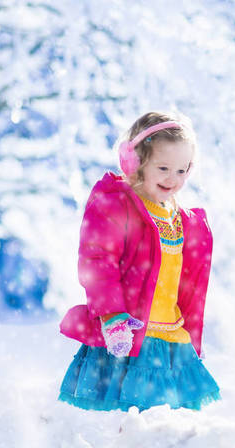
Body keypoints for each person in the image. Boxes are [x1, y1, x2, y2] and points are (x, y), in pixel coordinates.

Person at [57, 111, 221, 412]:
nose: (173, 179)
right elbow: (98, 262)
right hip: (129, 335)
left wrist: (192, 339)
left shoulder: (183, 220)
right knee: (129, 416)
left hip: (170, 339)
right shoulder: (117, 206)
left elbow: (189, 287)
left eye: (183, 170)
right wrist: (112, 316)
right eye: (163, 168)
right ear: (135, 163)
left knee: (169, 420)